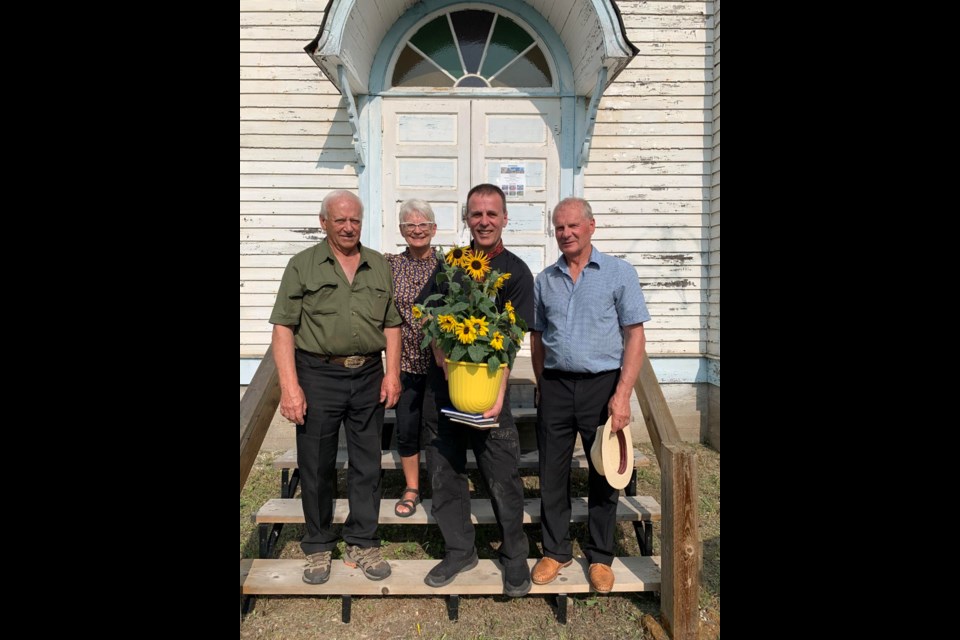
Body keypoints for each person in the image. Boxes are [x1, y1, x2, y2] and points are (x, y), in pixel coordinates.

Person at [269, 190, 402, 585]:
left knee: (367, 465)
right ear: (323, 221)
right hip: (318, 374)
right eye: (340, 220)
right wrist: (290, 388)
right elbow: (283, 328)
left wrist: (391, 373)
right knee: (316, 465)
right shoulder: (303, 265)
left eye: (355, 220)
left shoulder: (378, 264)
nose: (348, 227)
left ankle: (362, 540)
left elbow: (391, 324)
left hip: (367, 378)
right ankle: (319, 545)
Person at [418, 183, 534, 597]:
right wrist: (441, 358)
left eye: (492, 214)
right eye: (476, 214)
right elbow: (430, 314)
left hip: (490, 394)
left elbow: (513, 338)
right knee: (445, 472)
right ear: (466, 219)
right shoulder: (450, 264)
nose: (484, 221)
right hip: (444, 391)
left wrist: (499, 395)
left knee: (501, 474)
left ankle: (515, 555)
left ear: (504, 219)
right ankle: (459, 551)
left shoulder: (516, 272)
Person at [530, 197, 650, 593]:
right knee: (552, 471)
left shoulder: (618, 273)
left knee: (605, 471)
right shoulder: (545, 279)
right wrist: (541, 385)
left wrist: (622, 395)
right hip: (557, 386)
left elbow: (635, 336)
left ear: (591, 226)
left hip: (603, 385)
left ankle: (600, 556)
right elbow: (537, 338)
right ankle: (556, 550)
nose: (565, 233)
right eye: (559, 227)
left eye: (572, 226)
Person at [384, 199, 440, 518]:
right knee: (407, 427)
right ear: (401, 230)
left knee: (439, 429)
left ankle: (442, 485)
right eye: (410, 225)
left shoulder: (448, 265)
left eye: (423, 224)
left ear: (434, 229)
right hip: (404, 362)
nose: (417, 230)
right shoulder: (390, 265)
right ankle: (412, 487)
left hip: (440, 365)